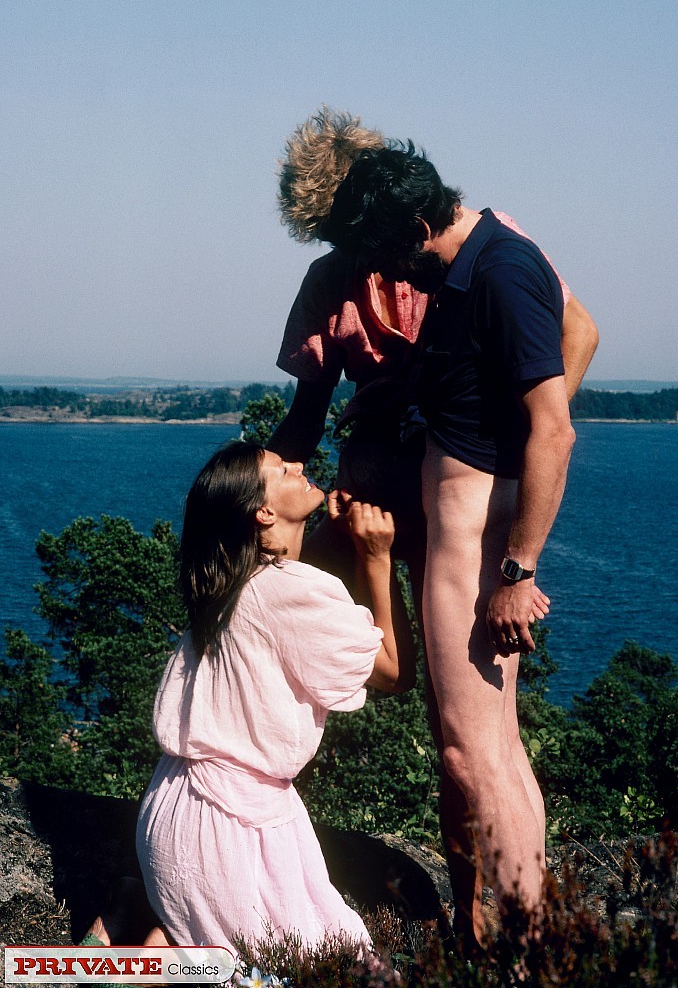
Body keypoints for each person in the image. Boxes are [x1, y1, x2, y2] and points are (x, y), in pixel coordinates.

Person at [268, 109, 598, 944]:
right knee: (443, 723)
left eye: (348, 231)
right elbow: (305, 416)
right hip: (381, 510)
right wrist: (251, 496)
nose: (348, 252)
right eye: (332, 236)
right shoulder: (338, 278)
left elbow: (577, 338)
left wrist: (509, 443)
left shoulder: (480, 251)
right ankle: (479, 913)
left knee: (471, 738)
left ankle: (494, 920)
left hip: (464, 515)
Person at [135, 440, 415, 953]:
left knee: (278, 961)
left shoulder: (231, 581)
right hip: (225, 828)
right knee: (287, 972)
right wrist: (377, 558)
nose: (300, 465)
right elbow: (394, 673)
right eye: (282, 469)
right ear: (263, 512)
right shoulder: (287, 590)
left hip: (180, 809)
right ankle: (129, 964)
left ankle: (137, 936)